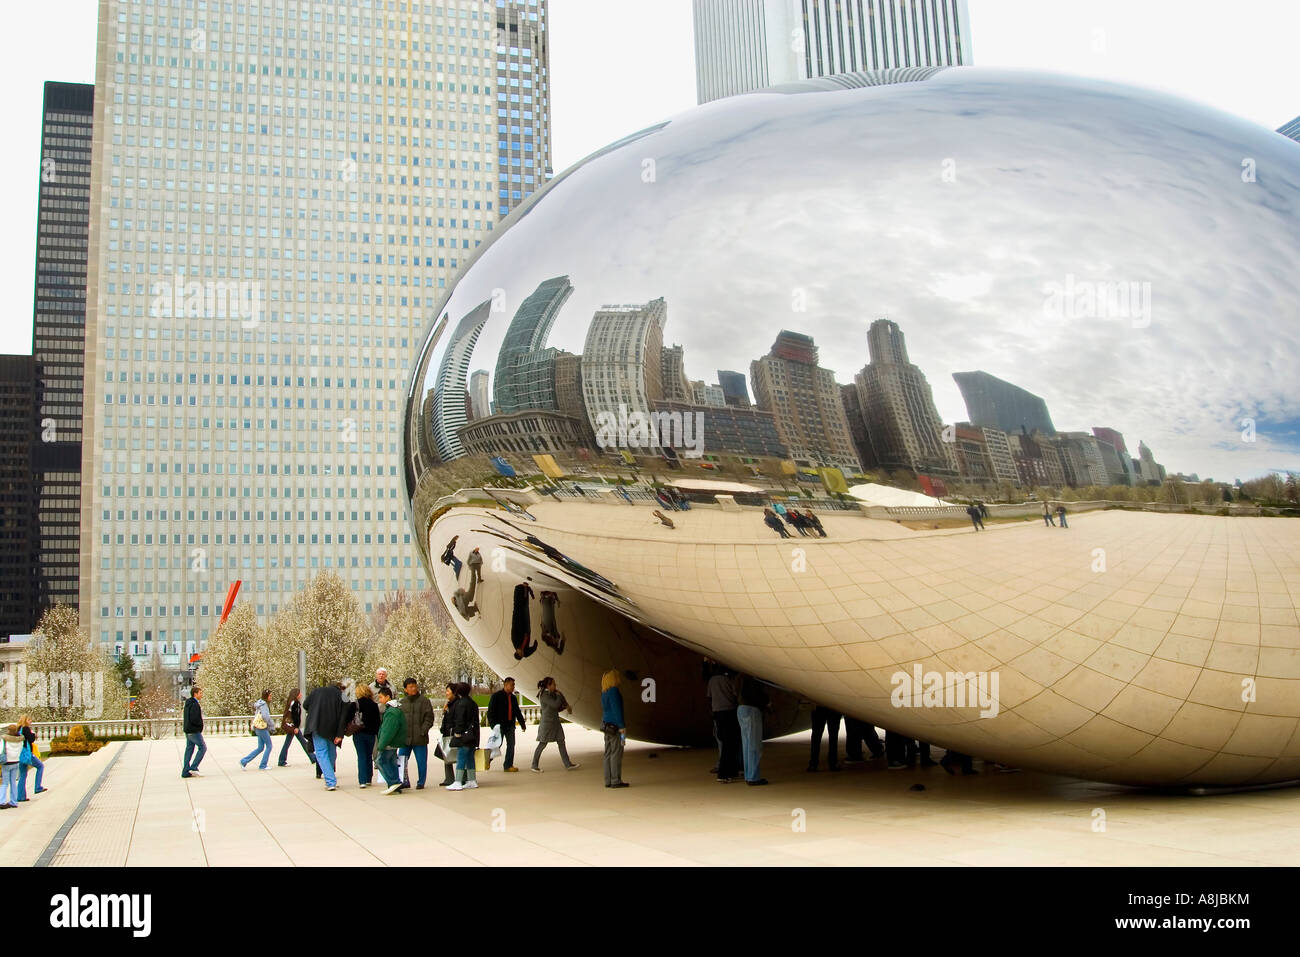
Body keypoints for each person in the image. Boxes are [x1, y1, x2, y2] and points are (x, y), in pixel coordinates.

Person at [304, 680, 349, 791]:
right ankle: (331, 778)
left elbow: (305, 704)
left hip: (316, 725)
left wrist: (315, 710)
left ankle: (330, 781)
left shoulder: (316, 691)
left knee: (321, 753)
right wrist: (340, 734)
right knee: (331, 752)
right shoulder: (342, 696)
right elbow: (345, 715)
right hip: (332, 728)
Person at [531, 677, 579, 772]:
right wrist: (559, 695)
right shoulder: (544, 695)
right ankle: (534, 765)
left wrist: (565, 706)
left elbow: (557, 708)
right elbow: (555, 704)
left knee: (561, 741)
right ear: (548, 685)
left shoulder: (552, 694)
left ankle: (568, 764)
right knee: (542, 743)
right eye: (553, 684)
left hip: (555, 723)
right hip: (547, 724)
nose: (555, 686)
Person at [397, 677, 436, 791]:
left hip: (420, 738)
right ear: (405, 689)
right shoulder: (402, 703)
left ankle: (421, 782)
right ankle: (404, 781)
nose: (413, 688)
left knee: (421, 761)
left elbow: (429, 718)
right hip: (405, 738)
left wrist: (423, 731)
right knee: (402, 760)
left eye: (415, 686)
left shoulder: (424, 701)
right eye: (410, 687)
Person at [487, 677, 528, 772]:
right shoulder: (496, 696)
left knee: (511, 745)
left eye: (514, 685)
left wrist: (522, 724)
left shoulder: (513, 698)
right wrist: (493, 725)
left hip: (510, 726)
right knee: (496, 745)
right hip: (499, 726)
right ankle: (487, 760)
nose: (513, 687)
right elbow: (490, 712)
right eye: (512, 684)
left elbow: (517, 712)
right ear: (506, 685)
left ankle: (508, 765)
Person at [709, 666, 742, 783]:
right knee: (731, 744)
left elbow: (709, 696)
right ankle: (724, 773)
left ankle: (730, 771)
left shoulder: (712, 681)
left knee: (724, 743)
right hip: (729, 712)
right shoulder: (728, 680)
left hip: (718, 714)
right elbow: (735, 694)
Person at [735, 674, 770, 786]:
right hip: (751, 710)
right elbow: (758, 696)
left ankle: (748, 775)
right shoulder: (754, 679)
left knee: (746, 744)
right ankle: (753, 777)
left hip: (741, 709)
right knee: (754, 746)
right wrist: (767, 702)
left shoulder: (742, 679)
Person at [446, 682, 481, 791]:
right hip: (473, 735)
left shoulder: (461, 704)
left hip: (464, 736)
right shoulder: (472, 703)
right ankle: (472, 780)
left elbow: (460, 720)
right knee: (470, 757)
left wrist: (457, 732)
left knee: (461, 757)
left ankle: (457, 781)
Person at [373, 687, 407, 794]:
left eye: (381, 697)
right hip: (394, 742)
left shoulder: (391, 712)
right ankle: (395, 784)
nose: (380, 700)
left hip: (389, 743)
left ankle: (393, 782)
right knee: (391, 762)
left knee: (380, 761)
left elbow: (388, 731)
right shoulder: (394, 709)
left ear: (388, 697)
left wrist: (381, 745)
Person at [348, 683, 381, 788]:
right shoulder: (374, 704)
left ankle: (362, 780)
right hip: (370, 734)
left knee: (361, 756)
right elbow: (377, 721)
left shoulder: (355, 704)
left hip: (358, 733)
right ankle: (368, 779)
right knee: (368, 755)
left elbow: (348, 718)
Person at [601, 670, 629, 788]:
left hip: (606, 726)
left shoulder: (604, 692)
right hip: (616, 727)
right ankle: (616, 780)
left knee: (607, 753)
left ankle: (608, 780)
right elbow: (617, 710)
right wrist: (622, 726)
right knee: (616, 753)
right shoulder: (614, 691)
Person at [278, 689, 316, 768]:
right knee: (302, 742)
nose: (301, 695)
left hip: (291, 726)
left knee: (294, 742)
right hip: (293, 727)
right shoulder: (295, 703)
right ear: (296, 694)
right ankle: (313, 757)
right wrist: (295, 727)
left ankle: (282, 760)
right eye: (299, 693)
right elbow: (295, 716)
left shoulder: (291, 702)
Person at [240, 689, 276, 770]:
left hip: (257, 727)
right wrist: (272, 726)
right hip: (262, 728)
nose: (271, 697)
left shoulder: (259, 703)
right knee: (269, 746)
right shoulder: (264, 705)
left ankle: (244, 761)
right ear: (267, 696)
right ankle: (263, 765)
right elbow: (266, 717)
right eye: (270, 695)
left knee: (260, 748)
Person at [15, 716, 47, 800]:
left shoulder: (18, 729)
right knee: (40, 766)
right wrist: (32, 733)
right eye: (29, 720)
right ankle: (38, 787)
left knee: (22, 775)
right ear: (25, 721)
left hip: (20, 754)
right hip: (27, 753)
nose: (31, 721)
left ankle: (20, 796)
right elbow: (31, 739)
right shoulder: (26, 729)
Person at [181, 686, 206, 778]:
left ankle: (186, 771)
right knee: (203, 748)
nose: (201, 695)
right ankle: (194, 767)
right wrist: (200, 726)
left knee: (189, 750)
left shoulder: (188, 703)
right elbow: (195, 719)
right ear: (195, 694)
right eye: (200, 693)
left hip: (188, 730)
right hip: (194, 731)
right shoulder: (195, 704)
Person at [808, 705, 842, 772]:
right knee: (833, 736)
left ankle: (813, 764)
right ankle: (833, 763)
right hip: (833, 706)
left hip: (819, 706)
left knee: (816, 735)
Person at [437, 684, 458, 787]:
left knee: (456, 756)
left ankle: (460, 778)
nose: (446, 693)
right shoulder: (449, 704)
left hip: (453, 732)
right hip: (446, 732)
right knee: (446, 755)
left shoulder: (457, 704)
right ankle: (449, 778)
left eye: (448, 691)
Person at [511, 582, 538, 659]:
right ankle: (525, 588)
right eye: (522, 654)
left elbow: (514, 627)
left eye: (520, 653)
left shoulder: (515, 641)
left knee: (519, 605)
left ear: (517, 652)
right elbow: (534, 648)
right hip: (526, 629)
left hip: (519, 621)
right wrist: (535, 644)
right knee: (525, 607)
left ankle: (521, 588)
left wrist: (518, 617)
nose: (522, 652)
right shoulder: (525, 653)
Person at [0, 725, 23, 809]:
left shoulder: (4, 739)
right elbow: (20, 750)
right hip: (16, 761)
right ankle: (14, 802)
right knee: (13, 782)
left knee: (5, 783)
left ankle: (1, 801)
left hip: (6, 762)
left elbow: (1, 750)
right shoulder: (20, 739)